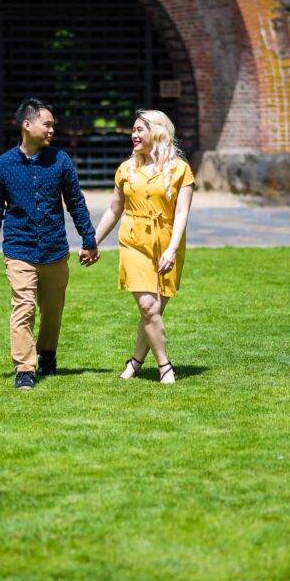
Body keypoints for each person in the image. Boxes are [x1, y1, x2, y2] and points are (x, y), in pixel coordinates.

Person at [0, 97, 99, 390]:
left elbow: (75, 202)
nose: (51, 130)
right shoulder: (2, 166)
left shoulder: (60, 160)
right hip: (19, 250)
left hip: (55, 251)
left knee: (52, 309)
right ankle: (24, 368)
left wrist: (89, 239)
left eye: (52, 126)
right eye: (46, 124)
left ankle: (48, 354)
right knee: (23, 308)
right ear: (27, 124)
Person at [88, 109, 194, 384]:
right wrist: (93, 241)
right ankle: (165, 367)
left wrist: (171, 249)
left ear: (157, 132)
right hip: (133, 242)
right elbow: (113, 210)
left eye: (140, 130)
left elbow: (182, 213)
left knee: (153, 311)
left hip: (167, 242)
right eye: (133, 130)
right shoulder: (126, 169)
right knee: (148, 306)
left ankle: (134, 362)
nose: (134, 135)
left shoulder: (180, 169)